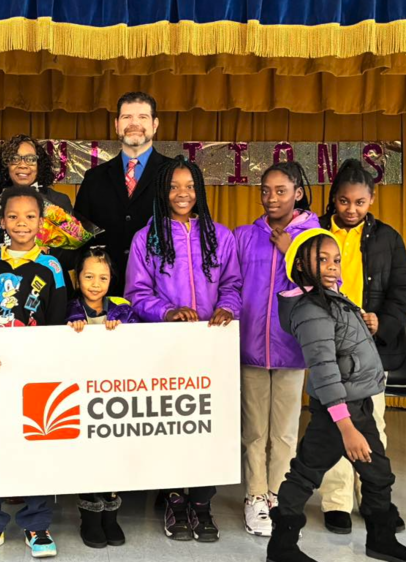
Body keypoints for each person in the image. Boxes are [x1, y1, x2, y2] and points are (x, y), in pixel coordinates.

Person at [266, 230, 406, 562]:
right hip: (338, 411)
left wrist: (361, 324)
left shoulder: (333, 299)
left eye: (336, 260)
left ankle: (380, 539)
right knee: (305, 474)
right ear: (300, 264)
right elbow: (323, 369)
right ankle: (282, 547)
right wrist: (346, 427)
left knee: (377, 473)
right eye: (322, 259)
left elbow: (344, 346)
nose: (332, 266)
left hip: (357, 403)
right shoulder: (311, 309)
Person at [124, 156, 241, 542]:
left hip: (211, 349)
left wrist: (228, 308)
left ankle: (202, 503)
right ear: (162, 191)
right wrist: (168, 311)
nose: (182, 194)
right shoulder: (146, 238)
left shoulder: (220, 236)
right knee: (173, 425)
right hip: (167, 348)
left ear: (200, 191)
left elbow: (233, 285)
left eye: (190, 186)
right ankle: (174, 499)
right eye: (174, 186)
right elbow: (136, 293)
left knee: (208, 425)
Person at [0, 188, 68, 558]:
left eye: (29, 216)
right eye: (13, 216)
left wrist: (47, 360)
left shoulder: (52, 268)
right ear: (2, 221)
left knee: (36, 441)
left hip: (36, 374)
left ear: (41, 222)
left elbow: (58, 321)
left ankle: (37, 523)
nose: (21, 223)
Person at [317, 159, 406, 534]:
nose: (351, 209)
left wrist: (382, 322)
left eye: (359, 202)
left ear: (371, 199)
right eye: (344, 201)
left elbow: (402, 291)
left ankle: (375, 500)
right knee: (334, 422)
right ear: (334, 198)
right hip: (328, 343)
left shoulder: (388, 238)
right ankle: (336, 502)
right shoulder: (314, 231)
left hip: (370, 346)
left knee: (373, 423)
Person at [232, 161, 319, 537]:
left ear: (298, 193)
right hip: (250, 346)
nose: (271, 198)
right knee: (253, 430)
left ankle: (276, 495)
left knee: (284, 431)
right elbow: (232, 284)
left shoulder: (315, 237)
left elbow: (326, 288)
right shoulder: (245, 235)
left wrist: (291, 252)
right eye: (265, 190)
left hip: (291, 348)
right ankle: (254, 496)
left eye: (281, 191)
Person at [66, 246, 138, 549]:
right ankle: (90, 515)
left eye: (103, 278)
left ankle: (111, 514)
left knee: (113, 453)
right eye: (89, 276)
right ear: (77, 278)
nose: (95, 284)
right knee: (87, 454)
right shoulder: (69, 309)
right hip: (82, 397)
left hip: (115, 397)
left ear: (112, 279)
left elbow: (140, 341)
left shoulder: (122, 309)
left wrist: (121, 330)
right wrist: (71, 329)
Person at [74, 91, 169, 295]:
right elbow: (79, 241)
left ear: (155, 124)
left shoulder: (175, 175)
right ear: (116, 125)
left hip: (161, 294)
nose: (134, 123)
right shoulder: (94, 178)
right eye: (127, 117)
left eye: (142, 117)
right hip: (104, 295)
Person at [0, 134, 79, 293]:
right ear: (6, 165)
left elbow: (72, 257)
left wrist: (48, 251)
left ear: (39, 165)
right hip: (2, 287)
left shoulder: (58, 201)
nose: (23, 165)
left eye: (30, 159)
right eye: (15, 159)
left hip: (48, 288)